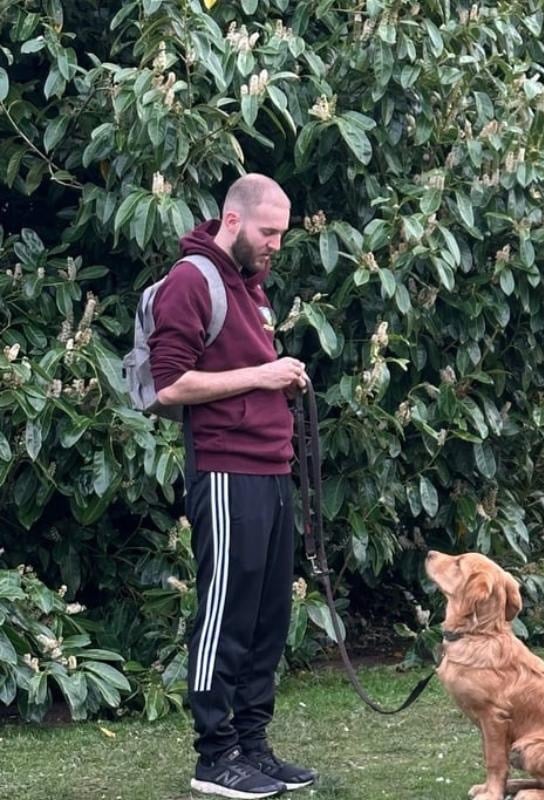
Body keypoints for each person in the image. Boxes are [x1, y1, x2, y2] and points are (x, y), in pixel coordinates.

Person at [150, 174, 317, 797]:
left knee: (268, 615)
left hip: (271, 470)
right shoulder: (192, 280)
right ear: (232, 221)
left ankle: (254, 746)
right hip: (224, 471)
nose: (276, 243)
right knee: (225, 611)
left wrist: (279, 379)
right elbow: (170, 387)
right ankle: (214, 756)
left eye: (282, 233)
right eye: (268, 231)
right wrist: (263, 375)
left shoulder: (251, 288)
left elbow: (247, 372)